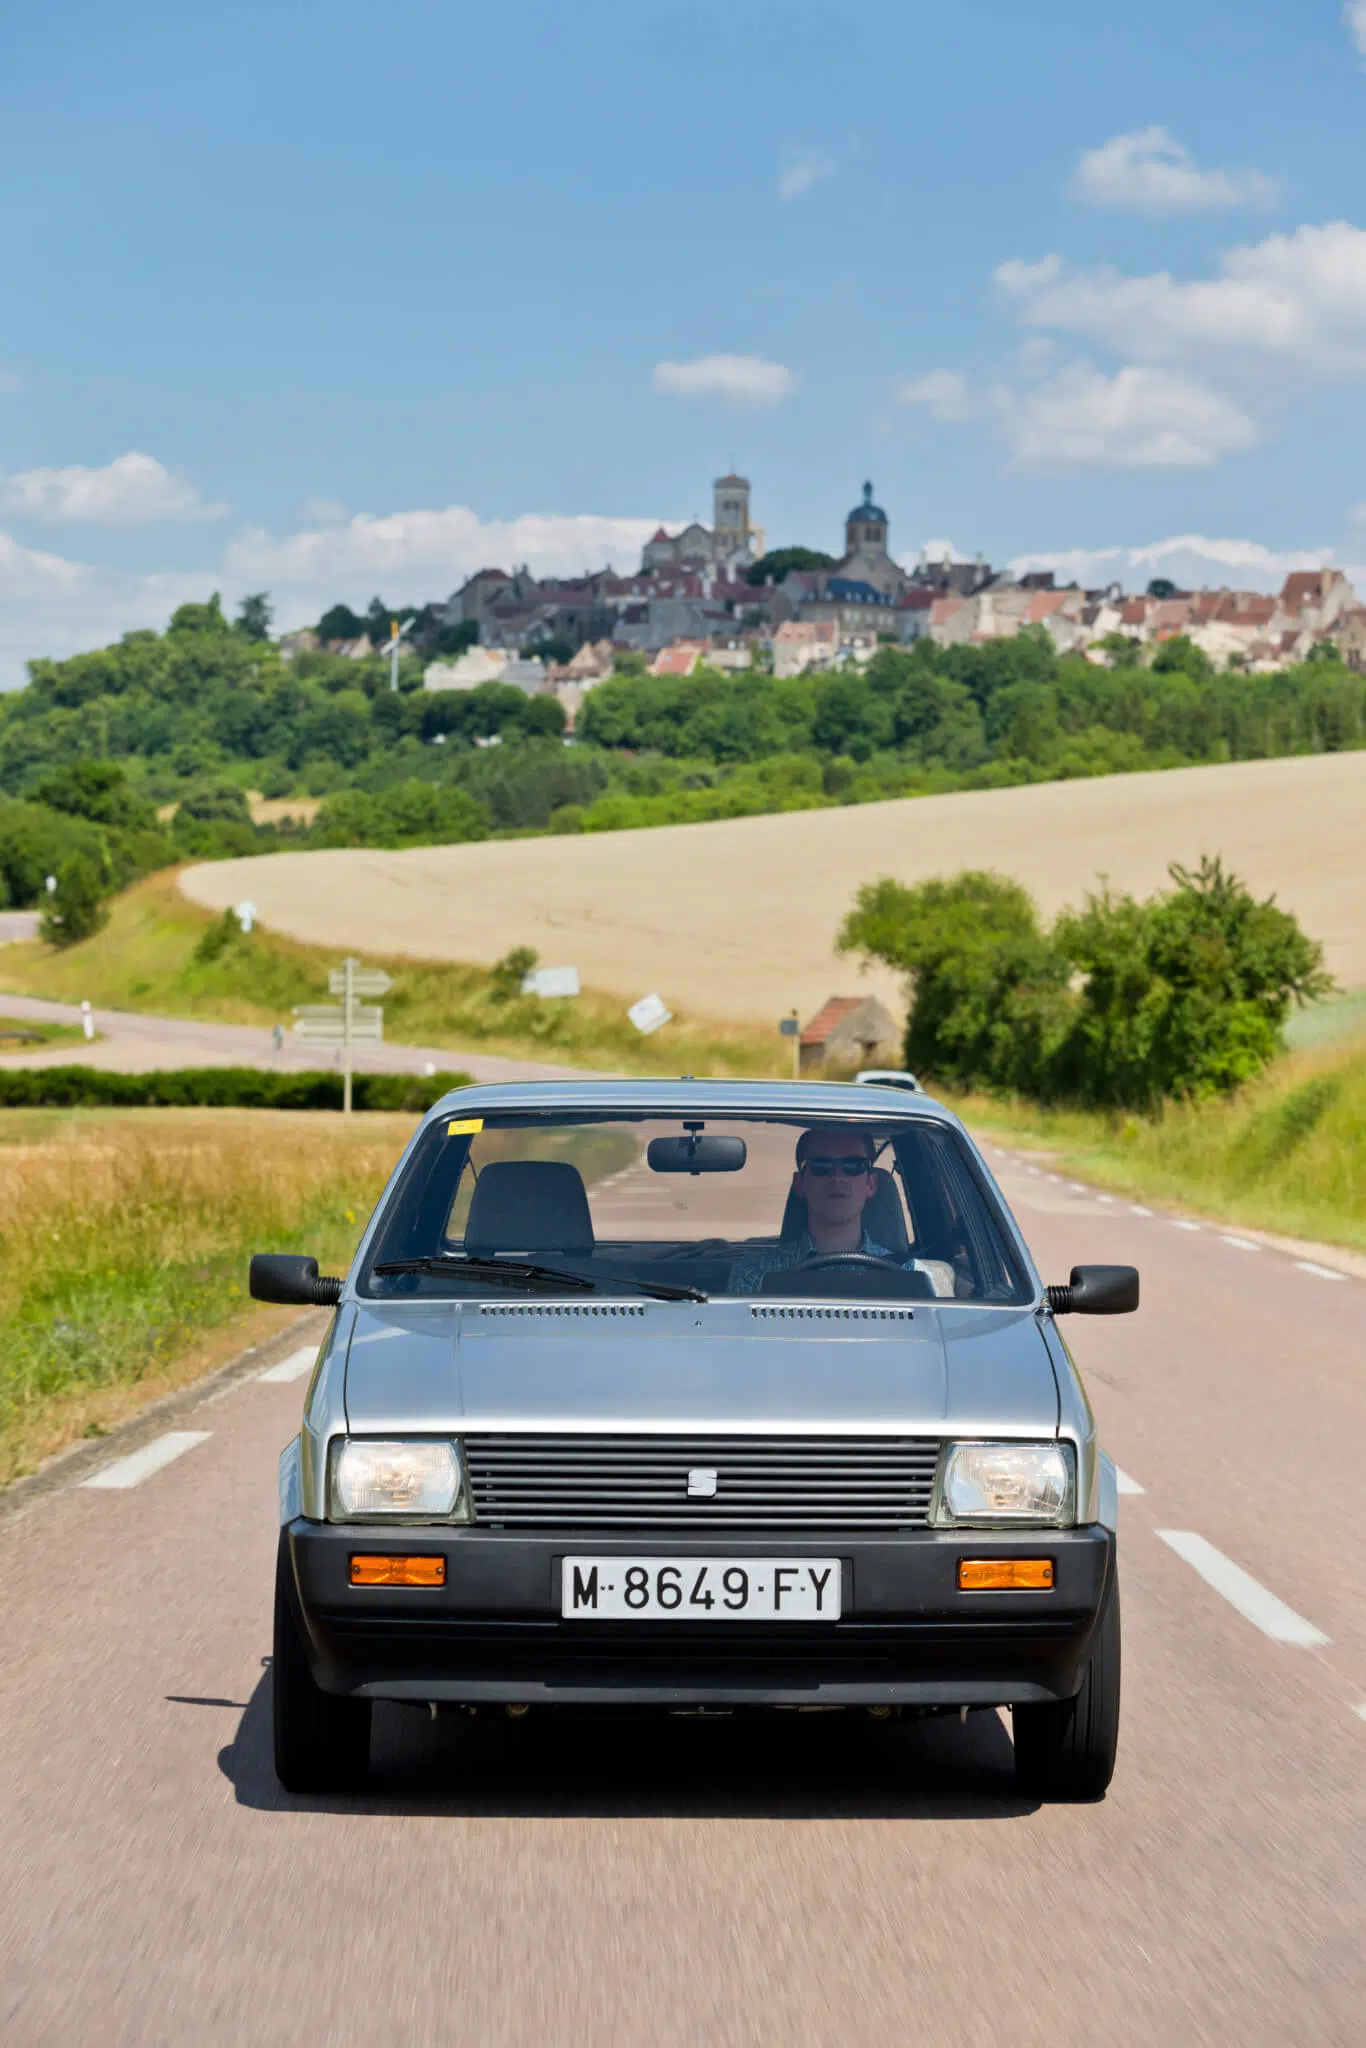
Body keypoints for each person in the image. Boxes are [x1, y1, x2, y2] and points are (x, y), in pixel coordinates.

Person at [728, 1123, 954, 1296]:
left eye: (853, 1166)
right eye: (820, 1167)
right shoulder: (753, 1275)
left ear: (871, 1184)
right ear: (800, 1184)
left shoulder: (911, 1275)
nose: (837, 1177)